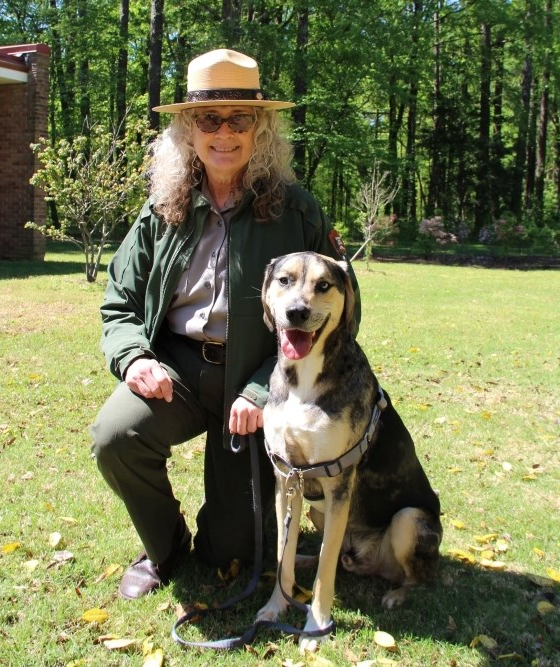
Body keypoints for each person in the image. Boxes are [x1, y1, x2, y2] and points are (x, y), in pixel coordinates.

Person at [90, 48, 360, 600]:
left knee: (234, 552)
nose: (224, 133)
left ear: (260, 129)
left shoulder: (297, 211)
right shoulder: (161, 207)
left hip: (260, 378)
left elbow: (340, 317)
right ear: (188, 129)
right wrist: (135, 358)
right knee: (116, 436)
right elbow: (119, 302)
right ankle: (164, 549)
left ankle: (229, 538)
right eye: (209, 119)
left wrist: (265, 386)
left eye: (240, 119)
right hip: (179, 371)